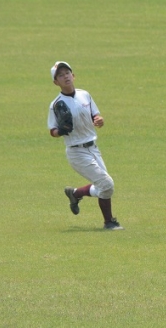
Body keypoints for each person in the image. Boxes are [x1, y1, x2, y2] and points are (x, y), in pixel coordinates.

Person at [47, 61, 123, 230]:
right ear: (56, 82)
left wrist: (99, 120)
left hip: (93, 148)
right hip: (76, 152)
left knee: (105, 187)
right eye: (60, 75)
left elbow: (96, 115)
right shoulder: (56, 104)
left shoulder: (85, 95)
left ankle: (75, 194)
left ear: (73, 76)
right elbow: (52, 131)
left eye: (67, 73)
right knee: (107, 184)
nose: (65, 76)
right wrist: (60, 131)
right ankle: (109, 222)